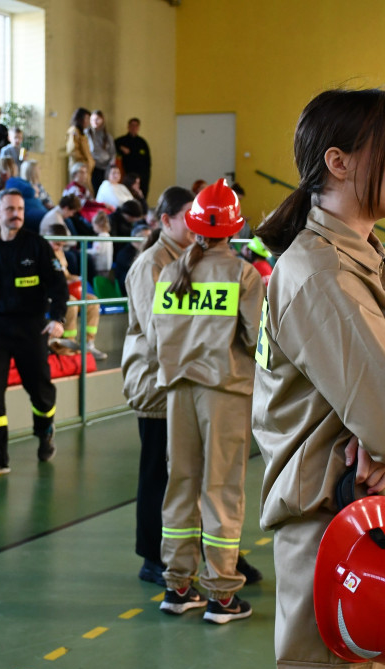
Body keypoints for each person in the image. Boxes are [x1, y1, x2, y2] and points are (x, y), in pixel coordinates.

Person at [252, 88, 385, 669]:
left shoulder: (372, 265)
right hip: (332, 534)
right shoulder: (320, 272)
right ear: (339, 162)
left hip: (377, 520)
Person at [148, 179, 264, 624]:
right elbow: (260, 342)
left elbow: (161, 333)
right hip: (225, 392)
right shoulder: (243, 274)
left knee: (180, 485)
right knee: (221, 491)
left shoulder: (170, 271)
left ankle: (178, 585)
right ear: (234, 229)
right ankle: (221, 594)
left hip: (177, 390)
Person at [0, 188, 68, 478]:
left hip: (30, 327)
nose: (17, 215)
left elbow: (58, 287)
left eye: (21, 209)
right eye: (10, 209)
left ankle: (45, 430)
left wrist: (57, 318)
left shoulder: (37, 246)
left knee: (40, 391)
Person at [122, 186, 195, 587]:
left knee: (186, 473)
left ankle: (202, 551)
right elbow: (157, 328)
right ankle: (152, 556)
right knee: (156, 473)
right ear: (166, 221)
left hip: (184, 379)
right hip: (155, 381)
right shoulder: (151, 264)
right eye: (189, 214)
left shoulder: (190, 258)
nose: (197, 222)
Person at [45, 223, 107, 360]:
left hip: (66, 290)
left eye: (62, 245)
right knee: (71, 302)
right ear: (47, 238)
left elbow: (64, 274)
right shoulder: (39, 253)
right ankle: (67, 345)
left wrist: (74, 278)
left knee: (92, 301)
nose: (59, 248)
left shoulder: (59, 253)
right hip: (50, 295)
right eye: (56, 244)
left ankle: (88, 344)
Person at [115, 117, 151, 197]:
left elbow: (148, 162)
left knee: (141, 195)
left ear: (138, 128)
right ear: (128, 127)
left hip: (142, 175)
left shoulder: (142, 142)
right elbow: (113, 145)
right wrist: (121, 148)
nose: (133, 127)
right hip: (128, 174)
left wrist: (146, 177)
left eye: (136, 126)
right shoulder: (121, 141)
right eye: (132, 125)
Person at [86, 110, 116, 191]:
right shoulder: (87, 134)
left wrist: (111, 167)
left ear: (102, 120)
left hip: (105, 168)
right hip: (92, 167)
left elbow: (112, 153)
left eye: (97, 119)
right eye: (92, 119)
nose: (95, 122)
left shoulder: (107, 136)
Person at [65, 108, 94, 190]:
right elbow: (72, 150)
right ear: (80, 119)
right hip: (78, 168)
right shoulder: (73, 131)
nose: (88, 122)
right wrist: (84, 162)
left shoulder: (83, 133)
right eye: (87, 118)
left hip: (85, 168)